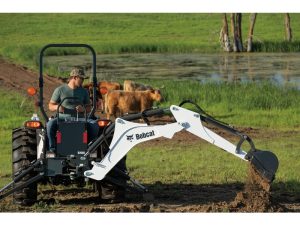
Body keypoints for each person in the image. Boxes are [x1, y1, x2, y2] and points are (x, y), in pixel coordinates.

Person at [47, 67, 99, 153]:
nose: (83, 81)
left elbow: (89, 108)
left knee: (95, 126)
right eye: (81, 78)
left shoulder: (84, 91)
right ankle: (52, 149)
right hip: (63, 118)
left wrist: (83, 109)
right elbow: (50, 105)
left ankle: (89, 147)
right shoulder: (60, 90)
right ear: (74, 77)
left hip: (80, 119)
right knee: (50, 125)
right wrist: (57, 107)